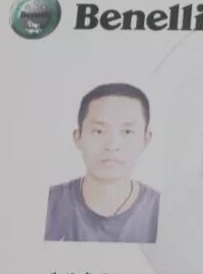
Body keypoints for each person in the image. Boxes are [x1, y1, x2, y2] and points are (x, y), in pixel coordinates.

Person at [44, 83, 160, 242]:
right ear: (78, 137)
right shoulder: (49, 204)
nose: (112, 145)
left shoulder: (162, 212)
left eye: (127, 132)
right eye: (98, 131)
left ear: (145, 140)